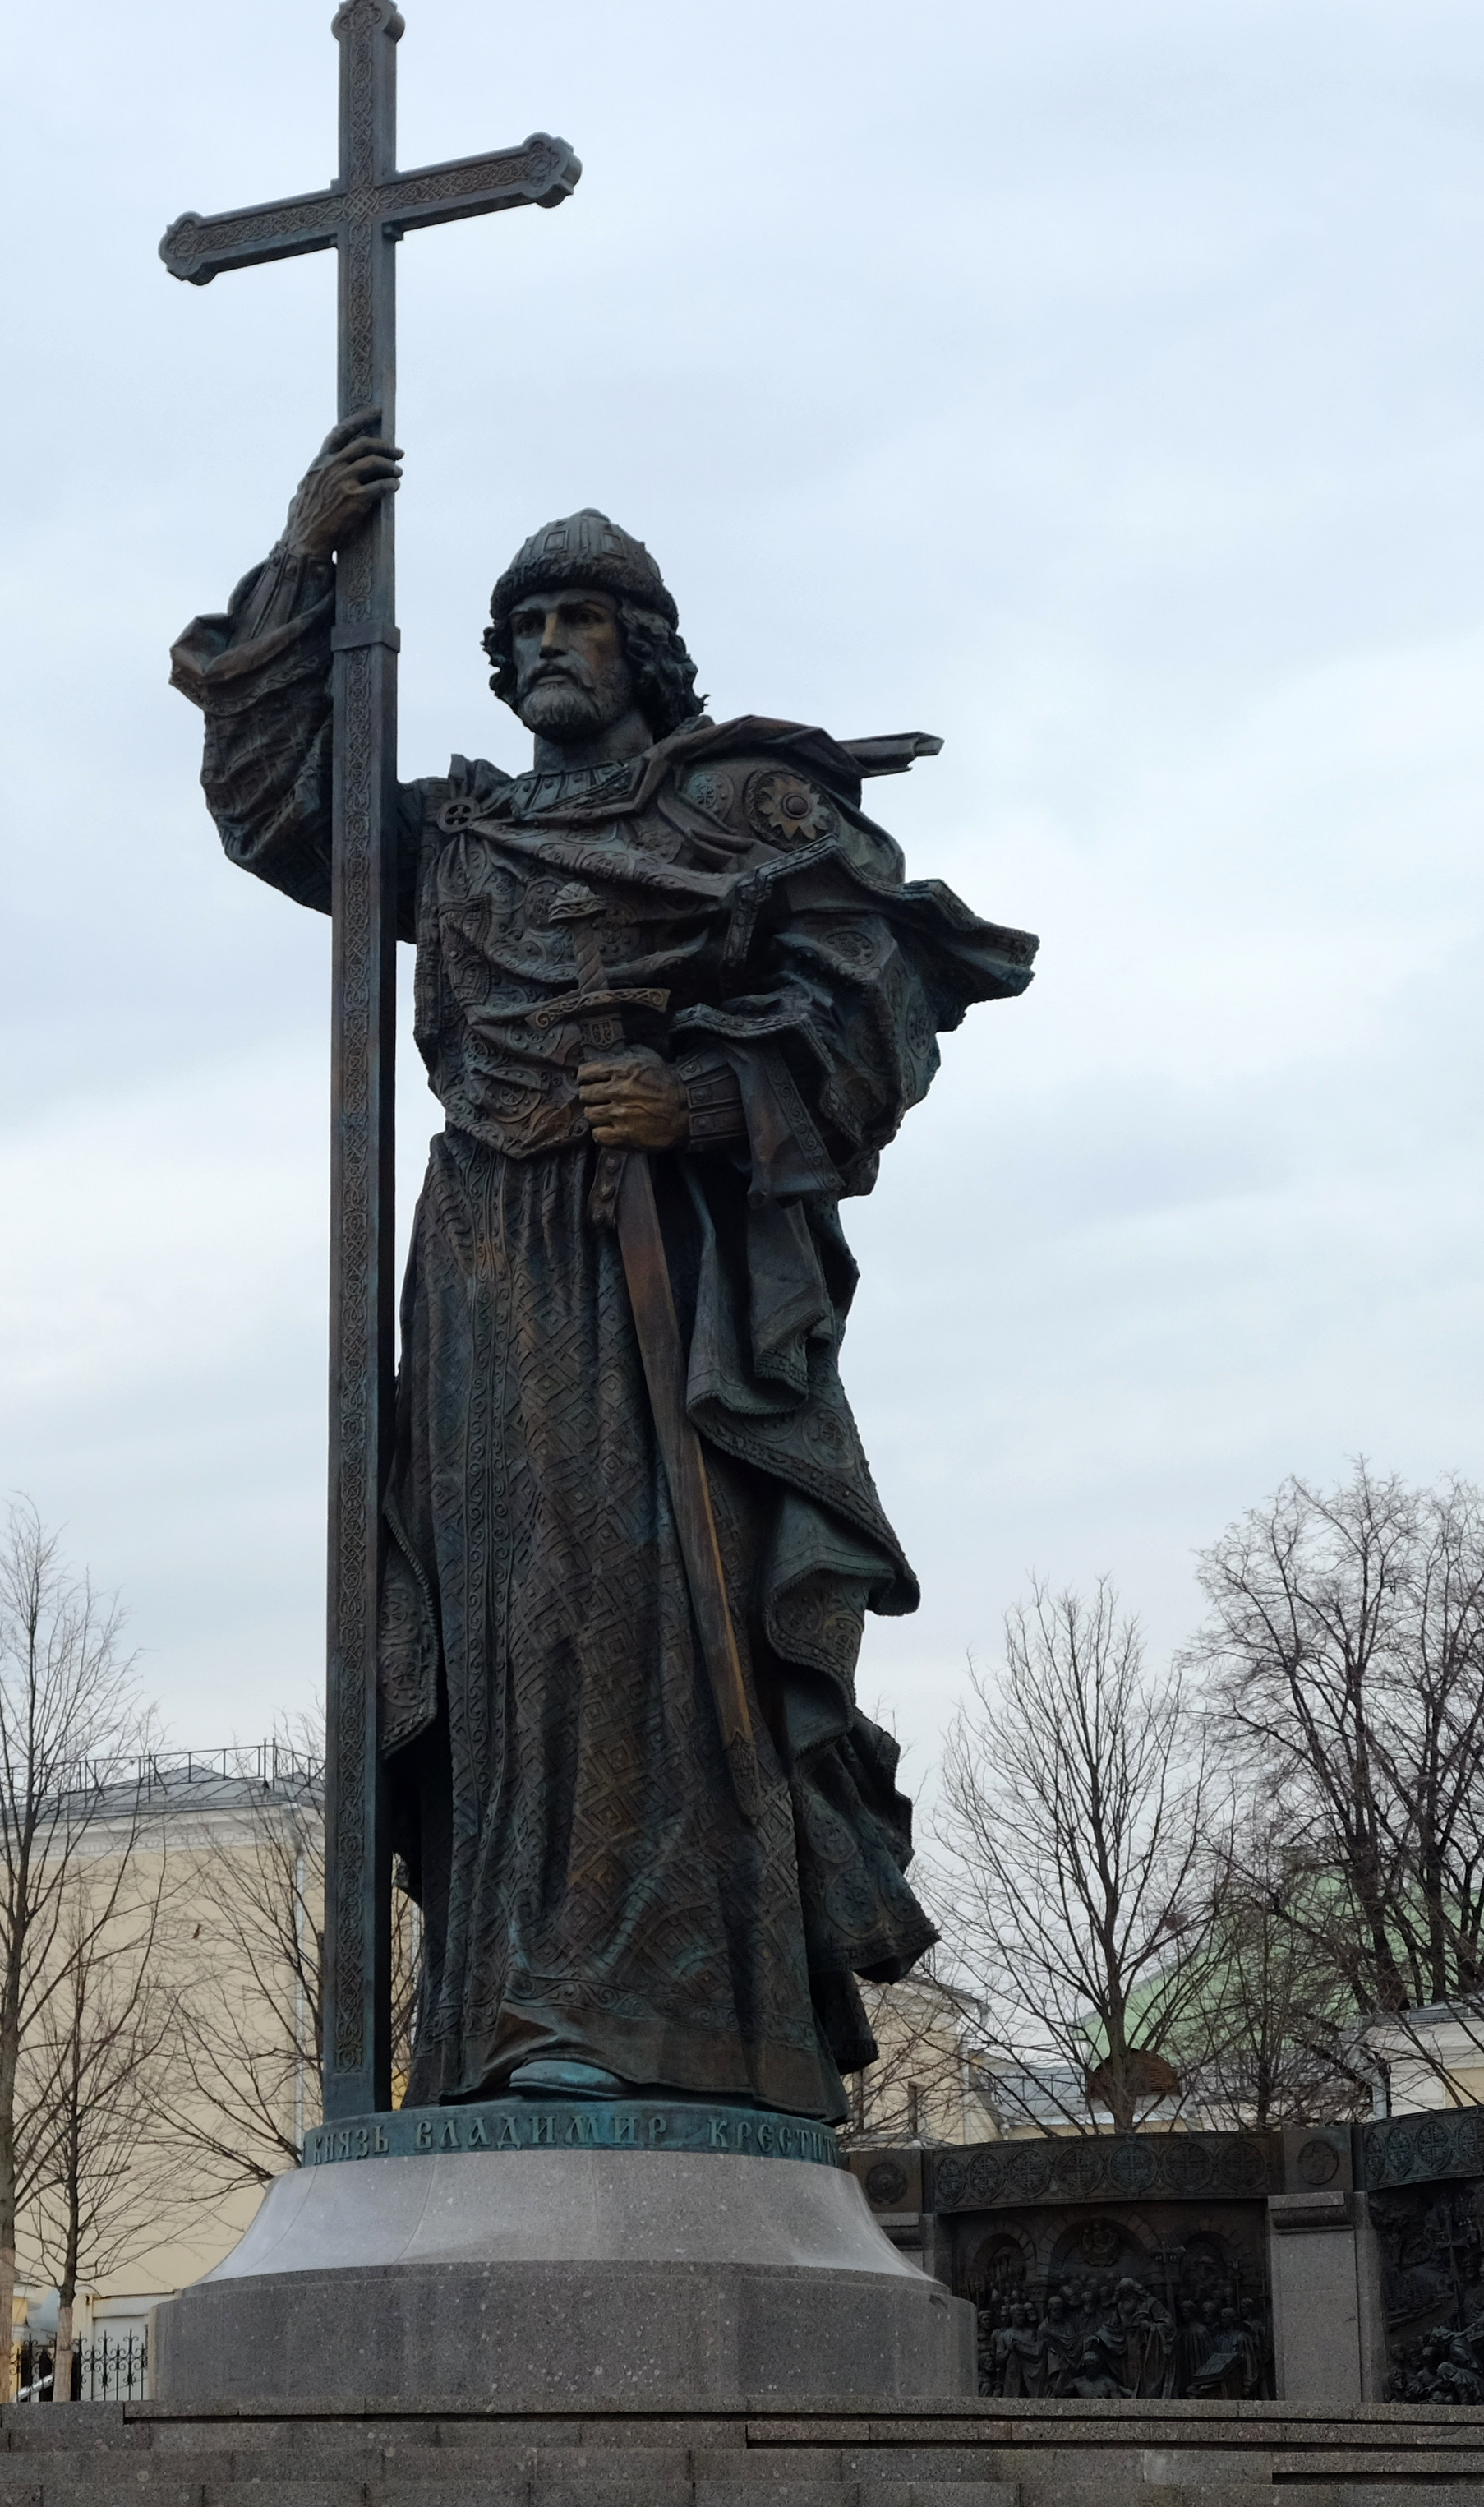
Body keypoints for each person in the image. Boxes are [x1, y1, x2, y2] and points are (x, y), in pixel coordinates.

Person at [173, 429, 1034, 2119]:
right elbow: (278, 811)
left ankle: (659, 2009)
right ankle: (500, 2007)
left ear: (643, 647)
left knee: (636, 1617)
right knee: (502, 1627)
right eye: (525, 625)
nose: (549, 643)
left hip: (664, 1272)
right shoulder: (464, 838)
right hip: (486, 1267)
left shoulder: (737, 811)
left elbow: (880, 1003)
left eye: (579, 617)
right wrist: (302, 564)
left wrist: (702, 1096)